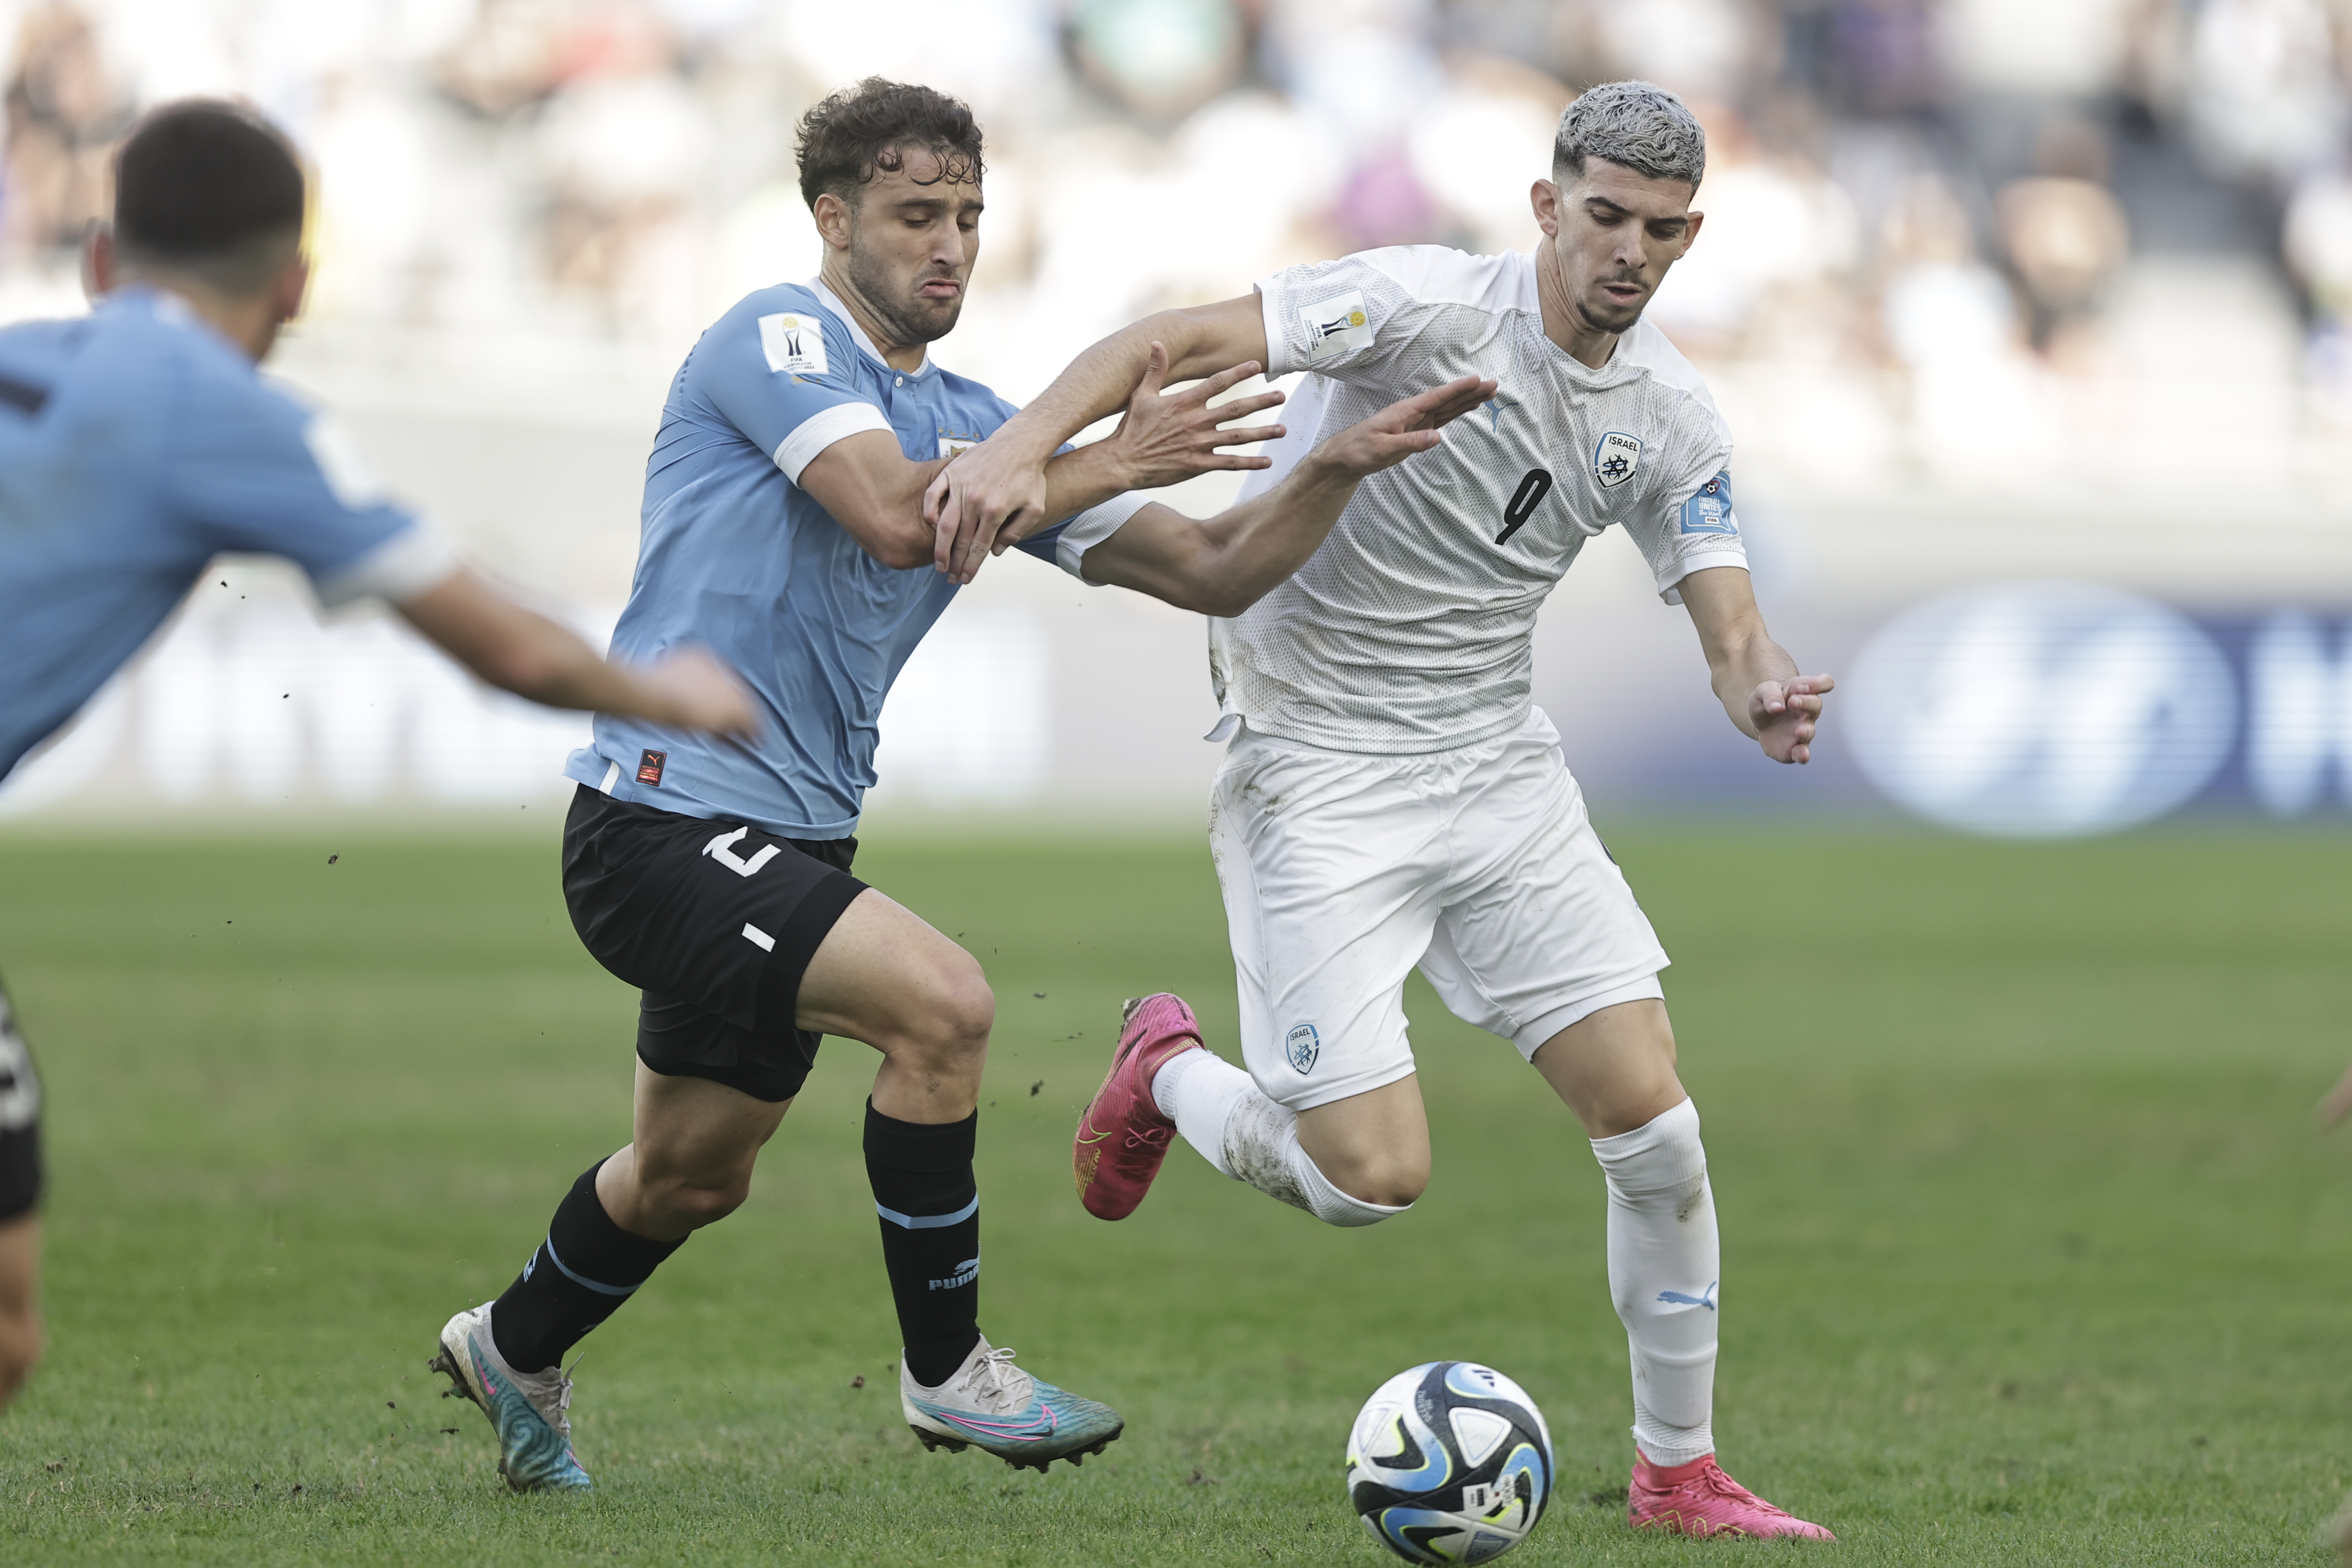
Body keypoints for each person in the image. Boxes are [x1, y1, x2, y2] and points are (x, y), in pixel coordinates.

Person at [428, 76, 1491, 1493]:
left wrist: (1337, 468)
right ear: (832, 217)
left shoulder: (991, 422)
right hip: (662, 824)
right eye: (916, 213)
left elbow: (1211, 568)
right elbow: (888, 517)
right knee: (947, 1009)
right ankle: (950, 1377)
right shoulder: (779, 336)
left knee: (690, 1175)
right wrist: (1106, 452)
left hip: (786, 838)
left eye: (970, 217)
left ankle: (514, 1341)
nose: (950, 244)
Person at [928, 79, 1837, 1541]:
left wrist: (1765, 692)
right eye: (1602, 216)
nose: (1628, 250)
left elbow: (1735, 639)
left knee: (1655, 1128)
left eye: (1658, 230)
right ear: (1548, 206)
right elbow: (1168, 339)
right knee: (1369, 1181)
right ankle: (1164, 1069)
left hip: (1494, 769)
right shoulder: (1420, 309)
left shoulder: (1668, 413)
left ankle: (1678, 1471)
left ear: (1690, 236)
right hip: (1318, 768)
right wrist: (1017, 448)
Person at [0, 100, 761, 1410]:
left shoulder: (27, 350)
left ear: (97, 260)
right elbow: (507, 648)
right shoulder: (228, 414)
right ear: (296, 286)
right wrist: (663, 689)